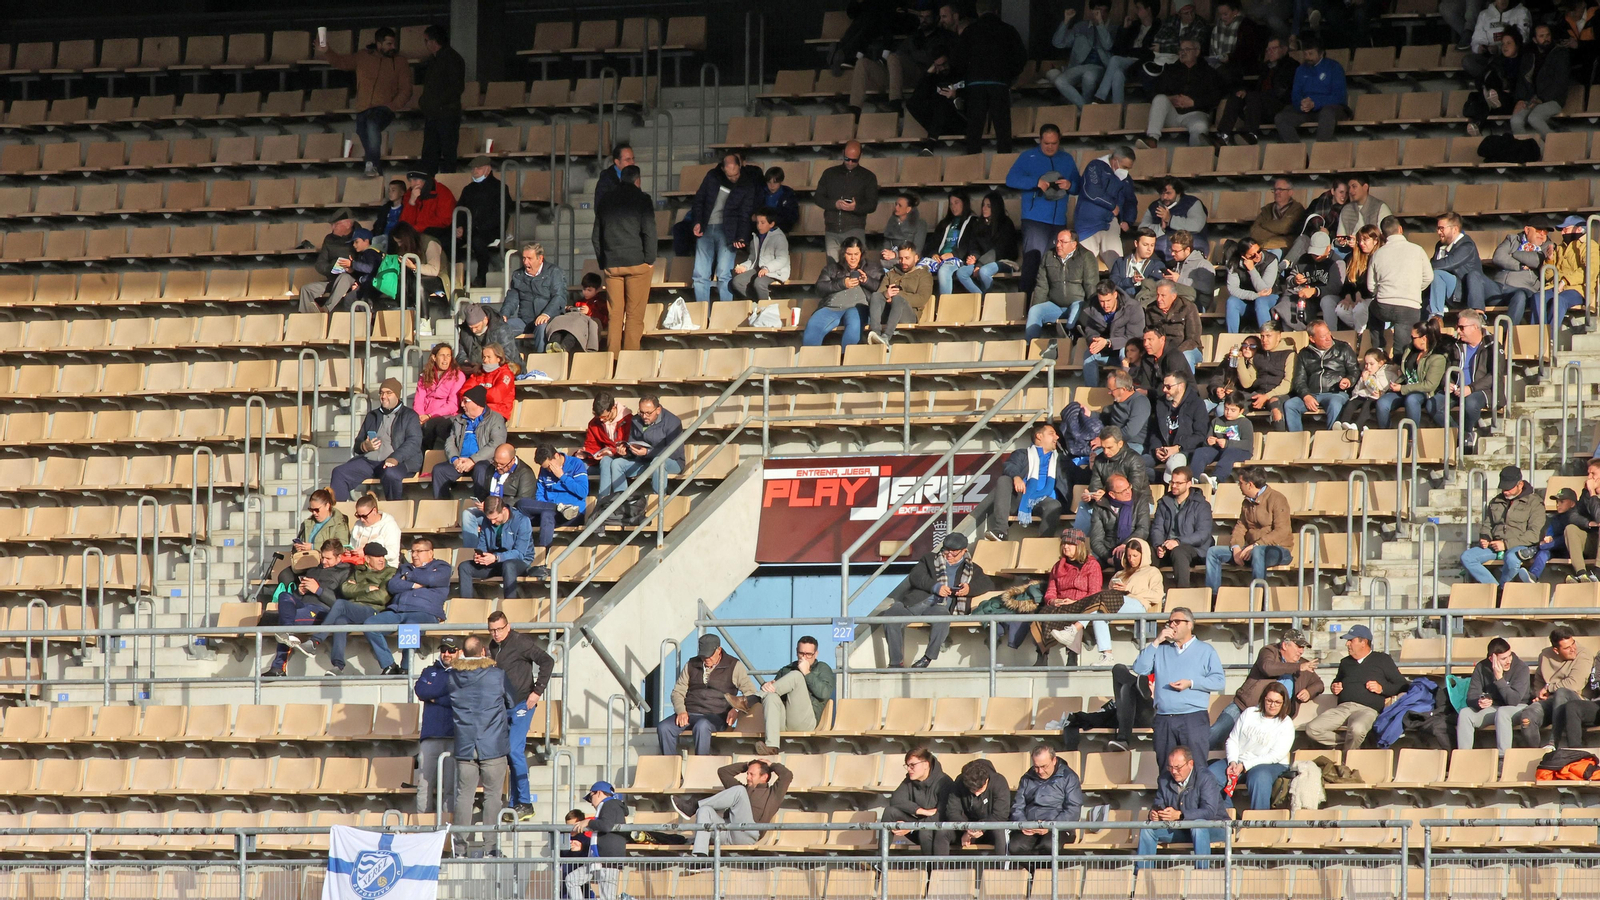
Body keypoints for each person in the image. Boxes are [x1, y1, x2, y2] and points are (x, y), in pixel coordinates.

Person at [882, 532, 995, 668]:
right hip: (915, 602)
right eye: (946, 550)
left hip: (940, 607)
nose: (949, 555)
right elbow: (916, 576)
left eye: (954, 553)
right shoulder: (929, 559)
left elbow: (987, 583)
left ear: (964, 551)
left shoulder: (971, 568)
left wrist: (968, 589)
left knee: (943, 620)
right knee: (890, 617)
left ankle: (927, 658)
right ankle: (895, 663)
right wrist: (935, 587)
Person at [449, 635, 514, 858]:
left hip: (465, 745)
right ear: (484, 651)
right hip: (493, 745)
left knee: (463, 797)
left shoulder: (452, 677)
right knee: (493, 797)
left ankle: (460, 850)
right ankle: (491, 849)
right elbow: (512, 702)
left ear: (462, 653)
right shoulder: (497, 675)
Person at [1133, 606, 1225, 763]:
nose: (1171, 625)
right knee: (1165, 767)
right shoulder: (1161, 649)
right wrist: (1156, 641)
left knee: (1196, 767)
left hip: (1193, 718)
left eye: (1177, 621)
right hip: (1164, 718)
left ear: (1189, 624)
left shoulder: (1206, 650)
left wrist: (1191, 683)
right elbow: (1139, 668)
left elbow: (1219, 681)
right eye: (1169, 622)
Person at [488, 610, 556, 817]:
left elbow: (547, 661)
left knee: (515, 751)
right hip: (502, 706)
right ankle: (515, 801)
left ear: (507, 627)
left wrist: (537, 692)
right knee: (506, 754)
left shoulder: (520, 642)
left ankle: (525, 802)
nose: (496, 634)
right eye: (492, 630)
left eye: (499, 629)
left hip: (521, 705)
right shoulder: (493, 646)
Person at [1210, 628, 1322, 750]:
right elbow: (1267, 667)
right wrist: (1297, 667)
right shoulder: (1269, 651)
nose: (1301, 651)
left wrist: (1308, 692)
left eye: (1303, 647)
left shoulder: (1302, 664)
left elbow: (1319, 684)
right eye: (1298, 646)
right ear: (1285, 645)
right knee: (1216, 732)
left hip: (1272, 718)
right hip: (1244, 706)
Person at [321, 27, 412, 178]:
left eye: (393, 44)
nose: (393, 47)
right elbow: (341, 62)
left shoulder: (400, 62)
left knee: (372, 123)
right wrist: (326, 51)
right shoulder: (363, 56)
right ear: (378, 43)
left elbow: (406, 89)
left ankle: (372, 164)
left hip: (384, 108)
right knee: (363, 132)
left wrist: (393, 105)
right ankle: (377, 173)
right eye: (389, 44)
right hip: (363, 108)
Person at [1304, 624, 1408, 750]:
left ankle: (1348, 758)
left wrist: (1382, 689)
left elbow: (1403, 685)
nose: (1347, 644)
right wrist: (1334, 687)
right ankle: (1351, 745)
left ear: (1363, 642)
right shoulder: (1345, 663)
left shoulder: (1382, 659)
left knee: (1357, 730)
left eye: (1351, 640)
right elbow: (1336, 681)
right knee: (1312, 729)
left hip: (1368, 709)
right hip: (1343, 708)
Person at [299, 541, 395, 674]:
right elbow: (345, 589)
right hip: (354, 609)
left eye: (383, 557)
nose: (381, 560)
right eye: (377, 557)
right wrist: (367, 588)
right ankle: (338, 666)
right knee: (340, 621)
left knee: (340, 604)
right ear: (367, 558)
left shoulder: (390, 572)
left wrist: (355, 594)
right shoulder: (358, 570)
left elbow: (381, 597)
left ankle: (315, 641)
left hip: (373, 611)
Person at [1005, 125, 1080, 295]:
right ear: (1040, 140)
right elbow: (1011, 179)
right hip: (1034, 220)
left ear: (1059, 141)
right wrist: (1035, 182)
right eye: (1046, 143)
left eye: (1054, 143)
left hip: (1058, 221)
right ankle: (1025, 307)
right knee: (1032, 263)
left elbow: (1078, 186)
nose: (1050, 147)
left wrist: (1070, 185)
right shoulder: (1028, 156)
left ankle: (1048, 305)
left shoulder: (1067, 159)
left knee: (1054, 265)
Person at [657, 633, 761, 755]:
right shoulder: (691, 664)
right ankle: (671, 768)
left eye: (709, 656)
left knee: (702, 726)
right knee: (664, 727)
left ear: (719, 650)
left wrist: (736, 709)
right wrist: (681, 711)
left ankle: (701, 765)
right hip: (690, 712)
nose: (706, 659)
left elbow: (751, 693)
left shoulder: (734, 665)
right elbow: (678, 691)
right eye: (703, 656)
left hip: (717, 715)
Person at [262, 539, 351, 677]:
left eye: (328, 558)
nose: (324, 561)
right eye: (322, 557)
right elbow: (297, 598)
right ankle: (288, 635)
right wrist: (299, 592)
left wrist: (318, 590)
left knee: (284, 623)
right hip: (304, 605)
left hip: (322, 611)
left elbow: (341, 605)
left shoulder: (346, 572)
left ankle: (278, 666)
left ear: (339, 557)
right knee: (285, 595)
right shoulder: (313, 570)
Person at [592, 165, 657, 352]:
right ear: (638, 180)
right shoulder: (643, 199)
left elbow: (596, 236)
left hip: (612, 264)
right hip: (637, 263)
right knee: (634, 316)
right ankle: (629, 362)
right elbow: (649, 232)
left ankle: (612, 359)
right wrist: (649, 259)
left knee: (615, 315)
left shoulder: (606, 200)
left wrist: (603, 261)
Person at [674, 757, 794, 856]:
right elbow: (723, 772)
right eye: (747, 773)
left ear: (764, 777)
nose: (747, 777)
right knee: (705, 810)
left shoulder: (773, 794)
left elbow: (787, 775)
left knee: (739, 791)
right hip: (727, 832)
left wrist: (772, 765)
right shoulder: (743, 789)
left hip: (747, 834)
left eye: (752, 774)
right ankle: (700, 857)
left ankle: (694, 806)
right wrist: (747, 765)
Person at [367, 536, 452, 676]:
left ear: (430, 552)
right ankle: (388, 664)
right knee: (370, 624)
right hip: (398, 610)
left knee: (410, 627)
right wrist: (415, 584)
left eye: (419, 551)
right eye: (412, 551)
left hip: (425, 612)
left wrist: (408, 577)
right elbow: (393, 585)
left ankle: (406, 668)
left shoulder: (442, 567)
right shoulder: (405, 567)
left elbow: (431, 579)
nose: (414, 555)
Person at [948, 0, 1025, 154]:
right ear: (996, 10)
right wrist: (1009, 76)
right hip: (999, 83)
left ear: (978, 12)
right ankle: (1003, 165)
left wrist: (967, 77)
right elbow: (1021, 58)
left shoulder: (970, 31)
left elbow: (957, 60)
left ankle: (973, 165)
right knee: (1002, 128)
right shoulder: (1008, 30)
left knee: (974, 129)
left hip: (975, 84)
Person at [847, 2, 954, 111]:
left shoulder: (942, 37)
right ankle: (854, 109)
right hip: (900, 77)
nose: (924, 20)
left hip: (923, 75)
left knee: (894, 57)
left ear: (936, 18)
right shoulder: (915, 36)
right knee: (862, 63)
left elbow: (935, 61)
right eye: (921, 17)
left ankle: (895, 103)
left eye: (928, 17)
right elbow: (899, 53)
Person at [328, 379, 422, 502]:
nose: (384, 396)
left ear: (397, 395)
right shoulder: (372, 416)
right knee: (339, 472)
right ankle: (338, 516)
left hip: (399, 462)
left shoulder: (410, 416)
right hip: (370, 462)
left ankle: (395, 511)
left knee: (391, 474)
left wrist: (395, 458)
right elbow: (358, 444)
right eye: (381, 393)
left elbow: (414, 442)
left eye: (389, 393)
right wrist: (365, 446)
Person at [1205, 467, 1293, 594]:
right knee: (1213, 552)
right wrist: (1236, 547)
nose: (1239, 486)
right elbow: (1241, 527)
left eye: (1240, 483)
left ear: (1250, 485)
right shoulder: (1246, 503)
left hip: (1277, 550)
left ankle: (1258, 599)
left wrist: (1256, 545)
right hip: (1250, 550)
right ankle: (1212, 598)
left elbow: (1282, 531)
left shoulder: (1277, 499)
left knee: (1258, 551)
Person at [1207, 682, 1294, 811]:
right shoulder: (1249, 713)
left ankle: (1259, 823)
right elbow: (1232, 740)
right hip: (1239, 760)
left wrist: (1245, 765)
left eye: (1277, 702)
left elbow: (1274, 756)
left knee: (1259, 777)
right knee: (1211, 775)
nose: (1272, 705)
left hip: (1269, 764)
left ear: (1284, 703)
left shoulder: (1286, 723)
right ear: (1263, 699)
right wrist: (1232, 761)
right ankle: (1227, 815)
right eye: (1269, 700)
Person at [1026, 530, 1109, 663]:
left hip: (1081, 603)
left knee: (1074, 615)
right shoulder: (1057, 567)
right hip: (1060, 604)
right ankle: (1042, 655)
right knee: (1043, 614)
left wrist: (1075, 601)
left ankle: (1072, 656)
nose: (1065, 546)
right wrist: (1053, 601)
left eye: (1070, 544)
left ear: (1079, 546)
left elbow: (1094, 593)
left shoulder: (1092, 565)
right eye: (1064, 543)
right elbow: (1050, 591)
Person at [1137, 746, 1226, 868]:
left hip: (1215, 827)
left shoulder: (1206, 778)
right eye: (1170, 767)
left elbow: (1209, 811)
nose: (1173, 771)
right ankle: (1142, 876)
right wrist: (1155, 814)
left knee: (1198, 825)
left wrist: (1180, 815)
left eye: (1178, 767)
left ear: (1190, 764)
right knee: (1148, 829)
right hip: (1181, 829)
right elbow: (1158, 804)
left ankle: (1202, 875)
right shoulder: (1164, 779)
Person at [690, 151, 759, 304]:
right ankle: (702, 316)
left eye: (736, 174)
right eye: (730, 175)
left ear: (740, 167)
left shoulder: (746, 184)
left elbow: (745, 213)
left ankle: (725, 314)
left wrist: (741, 236)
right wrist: (697, 222)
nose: (734, 178)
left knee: (724, 274)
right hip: (706, 228)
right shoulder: (712, 177)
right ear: (722, 169)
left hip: (728, 232)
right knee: (700, 274)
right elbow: (699, 200)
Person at [604, 396, 684, 528]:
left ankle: (658, 505)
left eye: (648, 413)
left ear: (658, 410)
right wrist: (626, 451)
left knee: (658, 461)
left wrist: (648, 452)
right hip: (645, 461)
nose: (644, 416)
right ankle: (624, 506)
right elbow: (632, 442)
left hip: (672, 461)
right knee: (617, 463)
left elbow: (673, 450)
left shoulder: (672, 422)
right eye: (641, 412)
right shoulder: (636, 420)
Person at [984, 423, 1068, 542]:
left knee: (1054, 505)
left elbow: (1079, 475)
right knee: (1004, 480)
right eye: (1051, 434)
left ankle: (1043, 542)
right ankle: (1001, 531)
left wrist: (1092, 463)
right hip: (1022, 497)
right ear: (1039, 436)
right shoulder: (1023, 454)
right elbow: (1009, 466)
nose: (1057, 437)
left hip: (1044, 501)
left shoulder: (1060, 460)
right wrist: (1016, 477)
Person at [1462, 465, 1544, 585]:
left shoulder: (1534, 502)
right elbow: (1488, 524)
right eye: (1503, 488)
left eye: (1509, 488)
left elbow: (1535, 534)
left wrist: (1506, 544)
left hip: (1519, 545)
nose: (1505, 491)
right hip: (1495, 545)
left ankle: (1503, 590)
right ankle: (1493, 588)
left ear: (1520, 485)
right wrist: (1485, 537)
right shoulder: (1496, 501)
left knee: (1512, 559)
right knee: (1467, 557)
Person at [1516, 626, 1595, 747]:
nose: (1573, 649)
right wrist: (1539, 694)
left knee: (1562, 693)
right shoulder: (1545, 655)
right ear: (1556, 650)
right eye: (1567, 648)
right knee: (1528, 717)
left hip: (1577, 700)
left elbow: (1574, 684)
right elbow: (1538, 680)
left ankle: (1553, 743)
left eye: (1573, 644)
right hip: (1550, 701)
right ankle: (1534, 755)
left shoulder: (1584, 654)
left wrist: (1548, 688)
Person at [1140, 39, 1223, 149]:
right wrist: (1169, 98)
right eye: (1181, 50)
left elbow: (1215, 97)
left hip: (1196, 114)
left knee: (1200, 126)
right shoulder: (1170, 69)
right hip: (1173, 114)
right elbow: (1152, 93)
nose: (1182, 52)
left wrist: (1193, 102)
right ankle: (1152, 139)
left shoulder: (1209, 72)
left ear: (1197, 52)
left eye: (1187, 49)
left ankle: (1193, 158)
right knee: (1160, 98)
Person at [1368, 217, 1433, 356]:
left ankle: (1378, 347)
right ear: (1400, 229)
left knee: (1372, 308)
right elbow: (1429, 277)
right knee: (1401, 351)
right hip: (1409, 306)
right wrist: (1414, 289)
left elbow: (1370, 286)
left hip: (1384, 305)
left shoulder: (1377, 254)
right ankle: (1399, 370)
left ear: (1383, 235)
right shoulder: (1418, 250)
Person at [1214, 38, 1295, 146]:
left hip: (1279, 106)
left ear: (1284, 49)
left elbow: (1281, 92)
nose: (1270, 52)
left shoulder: (1291, 65)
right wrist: (1244, 92)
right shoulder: (1266, 67)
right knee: (1238, 96)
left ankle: (1251, 134)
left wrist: (1254, 95)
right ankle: (1223, 136)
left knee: (1252, 96)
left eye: (1274, 48)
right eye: (1268, 49)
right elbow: (1256, 87)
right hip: (1258, 106)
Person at [758, 637, 833, 753]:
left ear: (816, 654)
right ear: (796, 651)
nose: (804, 657)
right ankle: (772, 746)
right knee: (771, 696)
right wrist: (768, 685)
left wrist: (807, 673)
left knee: (797, 676)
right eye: (801, 653)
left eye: (809, 654)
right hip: (783, 721)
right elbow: (776, 695)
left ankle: (751, 699)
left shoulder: (823, 669)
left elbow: (824, 693)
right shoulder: (787, 669)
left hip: (806, 721)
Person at [1458, 637, 1533, 754]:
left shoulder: (1521, 668)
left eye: (1510, 656)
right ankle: (1463, 756)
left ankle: (1502, 758)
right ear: (1491, 659)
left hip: (1519, 707)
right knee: (1465, 713)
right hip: (1494, 708)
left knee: (1502, 712)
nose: (1509, 661)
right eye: (1503, 659)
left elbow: (1513, 700)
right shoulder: (1481, 667)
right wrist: (1479, 702)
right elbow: (1471, 696)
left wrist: (1499, 678)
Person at [1435, 309, 1497, 449]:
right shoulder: (1457, 346)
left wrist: (1471, 388)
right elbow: (1447, 369)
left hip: (1480, 390)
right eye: (1458, 327)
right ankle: (1463, 435)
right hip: (1456, 389)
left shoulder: (1491, 344)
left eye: (1462, 327)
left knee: (1470, 404)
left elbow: (1495, 375)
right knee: (1433, 404)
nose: (1458, 330)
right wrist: (1447, 383)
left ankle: (1467, 432)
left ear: (1475, 327)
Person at [1282, 320, 1358, 432]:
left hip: (1335, 393)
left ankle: (1332, 440)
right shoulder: (1304, 354)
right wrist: (1306, 395)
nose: (1328, 338)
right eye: (1323, 336)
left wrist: (1349, 380)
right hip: (1312, 393)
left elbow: (1355, 370)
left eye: (1328, 333)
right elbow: (1299, 379)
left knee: (1335, 404)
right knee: (1290, 405)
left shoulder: (1343, 348)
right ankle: (1297, 440)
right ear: (1312, 339)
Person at [1008, 745, 1085, 856]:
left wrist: (1049, 826)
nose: (1040, 771)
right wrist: (1024, 824)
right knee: (1015, 846)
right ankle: (1036, 872)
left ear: (1054, 760)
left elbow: (1073, 809)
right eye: (1036, 767)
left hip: (1058, 827)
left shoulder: (1069, 777)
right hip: (1030, 827)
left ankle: (1042, 873)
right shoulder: (1027, 778)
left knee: (1049, 845)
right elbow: (1017, 806)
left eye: (1044, 766)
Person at [524, 445, 588, 576]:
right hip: (550, 509)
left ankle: (542, 563)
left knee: (547, 515)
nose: (548, 469)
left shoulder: (576, 464)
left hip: (572, 512)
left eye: (549, 466)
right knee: (520, 510)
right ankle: (521, 561)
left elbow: (583, 492)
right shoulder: (544, 470)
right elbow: (540, 495)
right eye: (545, 468)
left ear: (557, 456)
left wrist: (562, 476)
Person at [806, 237, 882, 347]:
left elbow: (882, 289)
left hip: (859, 308)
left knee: (854, 322)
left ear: (861, 253)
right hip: (832, 308)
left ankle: (845, 359)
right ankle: (810, 362)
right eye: (849, 254)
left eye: (856, 254)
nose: (853, 258)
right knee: (813, 325)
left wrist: (867, 281)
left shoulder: (873, 268)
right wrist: (842, 284)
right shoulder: (832, 269)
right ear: (843, 254)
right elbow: (819, 288)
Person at [431, 386, 504, 500]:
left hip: (484, 462)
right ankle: (443, 508)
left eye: (465, 401)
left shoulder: (495, 419)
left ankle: (482, 506)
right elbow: (450, 442)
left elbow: (497, 443)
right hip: (461, 461)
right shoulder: (459, 419)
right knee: (439, 470)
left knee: (481, 469)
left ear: (477, 403)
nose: (462, 405)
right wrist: (454, 459)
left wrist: (473, 460)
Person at [414, 636, 459, 814]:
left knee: (450, 787)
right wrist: (446, 690)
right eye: (443, 650)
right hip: (430, 736)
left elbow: (457, 698)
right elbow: (421, 690)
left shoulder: (462, 673)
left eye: (451, 650)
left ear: (459, 652)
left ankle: (446, 831)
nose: (446, 654)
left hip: (453, 736)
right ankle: (423, 828)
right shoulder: (429, 671)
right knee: (424, 785)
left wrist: (434, 697)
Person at [457, 496, 535, 599]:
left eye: (495, 518)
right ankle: (466, 604)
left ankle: (509, 605)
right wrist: (480, 556)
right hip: (494, 561)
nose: (492, 522)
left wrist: (496, 557)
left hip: (518, 562)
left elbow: (519, 553)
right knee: (464, 567)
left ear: (504, 510)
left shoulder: (522, 521)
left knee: (508, 566)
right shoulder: (487, 520)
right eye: (490, 519)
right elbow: (483, 544)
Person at [460, 444, 537, 548]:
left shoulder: (525, 473)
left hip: (510, 513)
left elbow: (524, 502)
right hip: (490, 510)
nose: (498, 466)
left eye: (502, 464)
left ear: (512, 461)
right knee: (468, 514)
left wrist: (494, 506)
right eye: (495, 462)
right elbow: (486, 492)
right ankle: (473, 551)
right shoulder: (492, 468)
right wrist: (482, 503)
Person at [1273, 36, 1347, 143]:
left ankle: (1320, 153)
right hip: (1307, 110)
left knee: (1327, 113)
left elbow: (1339, 97)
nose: (1307, 57)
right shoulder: (1301, 70)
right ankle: (1299, 154)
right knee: (1281, 118)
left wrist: (1315, 102)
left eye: (1311, 53)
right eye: (1305, 54)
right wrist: (1301, 103)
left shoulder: (1334, 67)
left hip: (1330, 108)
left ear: (1321, 53)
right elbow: (1295, 95)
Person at [814, 140, 880, 258]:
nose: (850, 162)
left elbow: (872, 204)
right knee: (833, 269)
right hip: (831, 229)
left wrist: (855, 207)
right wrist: (835, 204)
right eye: (847, 158)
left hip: (855, 228)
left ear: (860, 156)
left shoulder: (868, 177)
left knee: (856, 268)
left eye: (854, 160)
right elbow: (818, 198)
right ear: (843, 153)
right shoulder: (829, 173)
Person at [1150, 467, 1214, 589]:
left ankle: (1182, 592)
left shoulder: (1201, 504)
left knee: (1179, 552)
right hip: (1167, 547)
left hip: (1195, 550)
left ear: (1189, 483)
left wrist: (1178, 541)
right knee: (1148, 553)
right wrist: (1159, 545)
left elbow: (1202, 534)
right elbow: (1157, 528)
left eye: (1179, 483)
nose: (1174, 486)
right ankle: (1153, 593)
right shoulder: (1163, 503)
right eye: (1172, 482)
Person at [499, 242, 567, 356]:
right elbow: (512, 299)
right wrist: (504, 314)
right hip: (525, 320)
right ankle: (509, 363)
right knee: (500, 329)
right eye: (524, 258)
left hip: (548, 319)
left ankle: (542, 365)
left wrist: (546, 314)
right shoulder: (518, 275)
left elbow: (559, 296)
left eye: (529, 258)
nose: (526, 262)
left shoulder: (554, 272)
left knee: (542, 328)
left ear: (540, 259)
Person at [1376, 322, 1449, 428]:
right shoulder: (1410, 350)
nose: (1411, 339)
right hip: (1404, 388)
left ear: (1423, 339)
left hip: (1422, 392)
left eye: (1413, 337)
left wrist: (1403, 388)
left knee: (1412, 399)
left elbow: (1430, 385)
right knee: (1382, 403)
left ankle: (1412, 438)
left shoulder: (1437, 357)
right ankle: (1386, 434)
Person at [1076, 281, 1147, 388]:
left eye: (1108, 300)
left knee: (1125, 351)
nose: (1105, 305)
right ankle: (1091, 391)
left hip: (1125, 351)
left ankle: (1126, 389)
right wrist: (1095, 341)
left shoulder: (1132, 307)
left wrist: (1108, 342)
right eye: (1102, 301)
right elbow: (1090, 331)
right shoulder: (1093, 307)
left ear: (1115, 295)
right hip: (1106, 351)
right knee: (1088, 355)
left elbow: (1134, 338)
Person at [455, 157, 513, 287]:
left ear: (488, 169)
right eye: (473, 168)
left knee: (478, 241)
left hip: (491, 230)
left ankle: (481, 276)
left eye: (479, 168)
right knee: (449, 241)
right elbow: (460, 210)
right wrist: (459, 226)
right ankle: (458, 276)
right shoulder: (468, 189)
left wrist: (478, 227)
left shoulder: (499, 188)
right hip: (469, 230)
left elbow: (500, 214)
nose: (475, 171)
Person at [1076, 147, 1139, 263]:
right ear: (1115, 160)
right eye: (1125, 167)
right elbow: (1092, 192)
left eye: (1129, 168)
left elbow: (1131, 201)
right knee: (1083, 265)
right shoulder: (1095, 166)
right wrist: (1112, 205)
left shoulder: (1126, 179)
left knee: (1117, 264)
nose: (1126, 171)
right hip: (1088, 223)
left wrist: (1128, 220)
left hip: (1111, 223)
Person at [417, 25, 465, 175]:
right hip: (434, 114)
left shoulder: (451, 58)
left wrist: (435, 103)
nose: (425, 44)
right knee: (429, 155)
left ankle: (447, 186)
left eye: (426, 40)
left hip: (446, 114)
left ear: (433, 41)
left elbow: (456, 87)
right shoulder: (434, 60)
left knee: (448, 153)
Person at [886, 748, 954, 854]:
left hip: (936, 833)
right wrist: (921, 811)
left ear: (926, 764)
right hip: (916, 827)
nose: (909, 769)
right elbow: (896, 800)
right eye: (907, 766)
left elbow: (942, 815)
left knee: (925, 832)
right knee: (890, 811)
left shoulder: (945, 782)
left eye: (912, 765)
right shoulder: (909, 780)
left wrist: (912, 827)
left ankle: (931, 870)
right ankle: (881, 861)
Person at [274, 489, 350, 584]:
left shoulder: (339, 523)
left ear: (327, 506)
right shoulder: (307, 523)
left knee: (311, 576)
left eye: (317, 510)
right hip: (306, 562)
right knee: (285, 576)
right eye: (311, 510)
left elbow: (342, 545)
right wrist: (299, 547)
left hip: (325, 564)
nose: (314, 513)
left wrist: (313, 547)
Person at [1492, 215, 1557, 325]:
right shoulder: (1512, 239)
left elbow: (1536, 260)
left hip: (1524, 289)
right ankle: (1475, 322)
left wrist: (1513, 253)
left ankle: (1505, 335)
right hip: (1498, 286)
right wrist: (1520, 265)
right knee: (1475, 278)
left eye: (1545, 232)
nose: (1542, 234)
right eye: (1538, 230)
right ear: (1527, 230)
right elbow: (1498, 257)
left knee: (1520, 296)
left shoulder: (1549, 246)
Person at [940, 759, 1012, 856]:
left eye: (980, 788)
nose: (976, 793)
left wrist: (979, 828)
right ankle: (938, 870)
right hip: (966, 827)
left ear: (987, 780)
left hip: (989, 829)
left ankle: (1002, 870)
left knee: (1000, 831)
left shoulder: (999, 782)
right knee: (942, 832)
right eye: (972, 790)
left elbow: (1000, 815)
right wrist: (967, 829)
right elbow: (952, 812)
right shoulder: (959, 782)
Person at [301, 227, 381, 313]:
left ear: (366, 241)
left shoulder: (371, 253)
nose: (354, 245)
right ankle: (305, 317)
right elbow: (361, 272)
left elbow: (370, 268)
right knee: (305, 289)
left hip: (359, 285)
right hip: (336, 279)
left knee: (345, 282)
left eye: (356, 242)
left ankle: (325, 309)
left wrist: (352, 264)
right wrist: (351, 270)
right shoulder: (362, 254)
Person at [867, 242, 933, 346]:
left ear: (916, 258)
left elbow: (922, 298)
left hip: (908, 315)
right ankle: (876, 334)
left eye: (907, 258)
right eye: (901, 258)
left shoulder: (924, 275)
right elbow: (880, 294)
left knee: (898, 299)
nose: (903, 262)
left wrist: (896, 296)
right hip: (888, 312)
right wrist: (886, 294)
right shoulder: (892, 273)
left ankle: (886, 337)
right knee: (876, 296)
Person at [1051, 0, 1115, 107]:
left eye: (1105, 11)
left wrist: (1100, 25)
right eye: (1098, 11)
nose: (1101, 14)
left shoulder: (1112, 28)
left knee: (1089, 77)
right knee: (1059, 81)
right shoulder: (1080, 27)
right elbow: (1058, 43)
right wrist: (1066, 21)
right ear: (1091, 11)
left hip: (1100, 68)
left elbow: (1108, 45)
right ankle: (1086, 109)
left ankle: (1084, 111)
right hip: (1078, 67)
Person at [953, 192, 1017, 294]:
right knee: (961, 272)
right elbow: (975, 245)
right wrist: (973, 256)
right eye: (983, 205)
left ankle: (986, 299)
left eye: (988, 206)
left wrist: (980, 264)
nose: (984, 208)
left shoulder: (1006, 224)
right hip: (981, 261)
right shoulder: (979, 224)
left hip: (1003, 261)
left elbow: (999, 250)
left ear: (996, 207)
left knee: (984, 271)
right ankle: (982, 298)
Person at [1097, 0, 1160, 104]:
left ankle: (1100, 96)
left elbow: (1148, 53)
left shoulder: (1158, 27)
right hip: (1126, 61)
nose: (1136, 10)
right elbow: (1117, 49)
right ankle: (1118, 112)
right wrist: (1125, 29)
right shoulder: (1134, 26)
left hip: (1141, 64)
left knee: (1115, 60)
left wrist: (1132, 52)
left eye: (1139, 7)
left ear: (1148, 9)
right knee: (1117, 74)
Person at [1430, 213, 1491, 319]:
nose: (1438, 232)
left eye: (1441, 228)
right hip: (1446, 291)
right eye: (1437, 228)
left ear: (1454, 229)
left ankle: (1436, 317)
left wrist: (1423, 266)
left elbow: (1449, 263)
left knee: (1437, 273)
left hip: (1464, 292)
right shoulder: (1439, 245)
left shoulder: (1466, 245)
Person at [571, 782, 627, 899]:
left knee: (607, 897)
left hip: (608, 860)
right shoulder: (610, 805)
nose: (591, 803)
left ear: (599, 793)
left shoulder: (610, 804)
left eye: (591, 797)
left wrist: (588, 822)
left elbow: (606, 826)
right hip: (599, 859)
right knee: (572, 880)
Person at [1513, 23, 1570, 135]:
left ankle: (1554, 145)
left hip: (1553, 99)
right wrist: (1520, 100)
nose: (1546, 39)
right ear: (1535, 40)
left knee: (1534, 118)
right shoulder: (1529, 56)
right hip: (1532, 99)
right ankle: (1525, 149)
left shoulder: (1560, 54)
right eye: (1541, 36)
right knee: (1515, 121)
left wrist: (1542, 99)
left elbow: (1560, 82)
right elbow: (1522, 80)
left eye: (1548, 35)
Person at [1464, 29, 1524, 135]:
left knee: (1495, 97)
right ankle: (1491, 102)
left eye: (1509, 43)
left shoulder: (1524, 62)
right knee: (1484, 95)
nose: (1505, 46)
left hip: (1512, 101)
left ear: (1517, 45)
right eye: (1503, 44)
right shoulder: (1496, 61)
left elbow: (1522, 85)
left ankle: (1478, 124)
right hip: (1493, 98)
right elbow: (1482, 79)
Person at [1088, 474, 1151, 570]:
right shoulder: (1100, 506)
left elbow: (1143, 529)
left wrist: (1125, 544)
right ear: (1112, 494)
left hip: (1132, 547)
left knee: (1121, 558)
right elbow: (1096, 539)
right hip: (1108, 549)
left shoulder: (1140, 500)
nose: (1128, 492)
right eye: (1123, 491)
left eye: (1128, 487)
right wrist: (1107, 557)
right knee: (1088, 565)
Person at [1190, 392, 1254, 485]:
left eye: (1233, 410)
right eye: (1226, 409)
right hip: (1219, 450)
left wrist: (1227, 443)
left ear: (1241, 411)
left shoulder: (1245, 423)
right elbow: (1207, 440)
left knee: (1229, 452)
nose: (1228, 412)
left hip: (1240, 451)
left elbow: (1247, 444)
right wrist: (1208, 441)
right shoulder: (1216, 421)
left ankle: (1216, 479)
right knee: (1200, 452)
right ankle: (1193, 478)